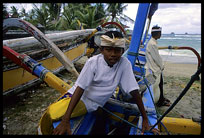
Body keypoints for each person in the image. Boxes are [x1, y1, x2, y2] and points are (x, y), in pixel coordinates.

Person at [53, 31, 159, 135]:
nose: (113, 54)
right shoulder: (93, 62)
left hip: (96, 104)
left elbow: (134, 90)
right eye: (108, 50)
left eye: (117, 50)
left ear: (122, 51)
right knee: (52, 115)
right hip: (81, 99)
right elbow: (80, 88)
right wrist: (65, 120)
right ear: (101, 50)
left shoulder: (124, 64)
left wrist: (145, 119)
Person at [145, 25, 170, 107]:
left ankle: (160, 99)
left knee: (157, 85)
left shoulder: (152, 42)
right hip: (153, 70)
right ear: (157, 33)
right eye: (160, 33)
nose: (161, 35)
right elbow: (157, 58)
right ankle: (157, 102)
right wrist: (162, 65)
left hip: (151, 69)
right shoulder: (152, 44)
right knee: (154, 87)